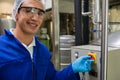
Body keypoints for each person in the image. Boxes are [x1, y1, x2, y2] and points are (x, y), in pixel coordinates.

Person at [0, 0, 94, 80]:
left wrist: (73, 69)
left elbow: (52, 78)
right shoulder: (1, 48)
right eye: (29, 10)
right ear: (16, 13)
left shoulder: (42, 51)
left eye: (40, 13)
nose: (35, 18)